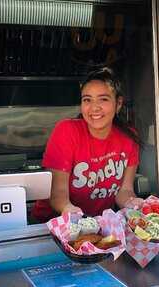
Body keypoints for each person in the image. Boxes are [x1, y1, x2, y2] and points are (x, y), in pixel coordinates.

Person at [32, 67, 143, 222]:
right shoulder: (67, 131)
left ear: (118, 104)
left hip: (98, 225)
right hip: (50, 226)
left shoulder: (129, 137)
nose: (94, 108)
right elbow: (58, 193)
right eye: (87, 100)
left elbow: (125, 190)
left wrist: (134, 203)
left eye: (103, 99)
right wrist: (70, 210)